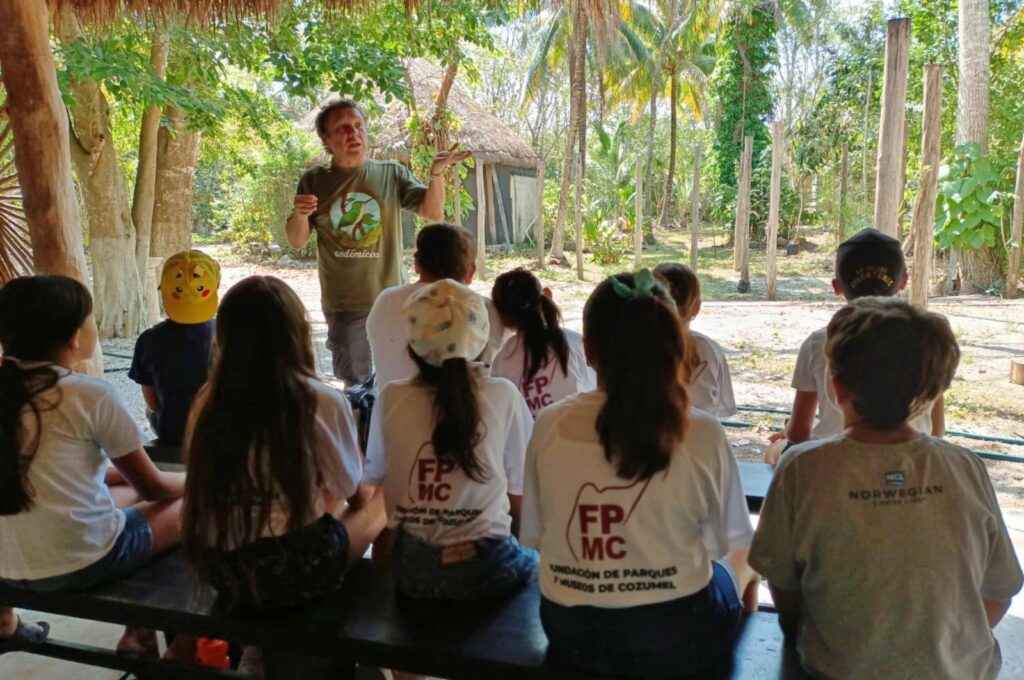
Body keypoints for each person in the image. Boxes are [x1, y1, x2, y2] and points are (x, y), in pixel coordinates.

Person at [750, 297, 1022, 679]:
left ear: (836, 387)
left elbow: (783, 588)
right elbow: (1000, 590)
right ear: (931, 393)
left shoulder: (802, 467)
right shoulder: (965, 466)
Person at [520, 270, 759, 679]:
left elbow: (536, 537)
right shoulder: (700, 430)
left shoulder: (550, 423)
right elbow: (722, 542)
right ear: (674, 346)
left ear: (589, 351)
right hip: (677, 634)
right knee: (748, 554)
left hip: (570, 629)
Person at [182, 276, 385, 675]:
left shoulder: (207, 400)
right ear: (297, 332)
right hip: (287, 572)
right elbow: (355, 495)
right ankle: (387, 636)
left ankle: (256, 649)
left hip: (222, 569)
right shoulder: (317, 398)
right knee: (382, 500)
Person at [0, 275, 185, 656]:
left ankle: (4, 621)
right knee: (192, 507)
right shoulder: (86, 394)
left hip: (5, 568)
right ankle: (150, 629)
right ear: (74, 336)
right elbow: (155, 488)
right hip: (78, 562)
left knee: (122, 489)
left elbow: (70, 474)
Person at [364, 279, 536, 600]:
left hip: (413, 569)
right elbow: (520, 496)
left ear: (412, 344)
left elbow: (378, 481)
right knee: (538, 562)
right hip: (489, 568)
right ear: (481, 338)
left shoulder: (391, 397)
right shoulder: (502, 395)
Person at [286, 98, 471, 385]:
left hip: (397, 298)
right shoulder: (314, 180)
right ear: (326, 139)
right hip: (345, 303)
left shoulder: (391, 173)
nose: (354, 134)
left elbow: (432, 212)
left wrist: (436, 174)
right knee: (358, 386)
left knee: (407, 380)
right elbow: (297, 240)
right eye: (343, 128)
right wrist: (300, 214)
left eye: (358, 125)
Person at [765, 228, 945, 464]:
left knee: (776, 450)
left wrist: (786, 432)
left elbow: (799, 434)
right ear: (904, 281)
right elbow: (936, 430)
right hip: (909, 460)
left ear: (836, 286)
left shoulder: (819, 342)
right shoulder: (928, 340)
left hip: (832, 461)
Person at [366, 223, 507, 387]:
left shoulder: (386, 301)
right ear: (470, 271)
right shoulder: (487, 311)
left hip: (392, 408)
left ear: (417, 264)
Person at [129, 250, 219, 447]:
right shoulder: (229, 335)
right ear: (213, 288)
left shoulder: (149, 340)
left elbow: (153, 404)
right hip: (221, 433)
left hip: (173, 434)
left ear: (164, 290)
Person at [489, 268, 595, 417]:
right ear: (547, 295)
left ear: (502, 317)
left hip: (534, 439)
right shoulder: (575, 342)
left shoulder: (500, 361)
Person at [653, 262, 736, 417]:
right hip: (701, 437)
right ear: (697, 306)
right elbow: (719, 410)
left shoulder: (633, 346)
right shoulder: (709, 350)